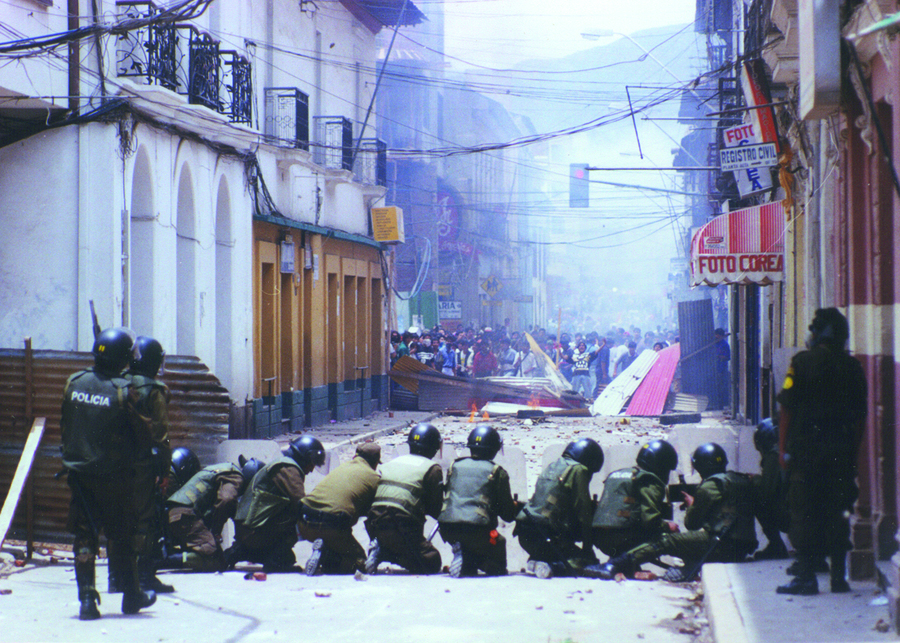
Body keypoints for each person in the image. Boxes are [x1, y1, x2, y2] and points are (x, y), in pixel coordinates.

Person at [60, 327, 156, 620]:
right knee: (123, 535)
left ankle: (87, 599)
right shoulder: (124, 390)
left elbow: (66, 426)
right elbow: (143, 434)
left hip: (80, 475)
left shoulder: (74, 383)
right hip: (115, 478)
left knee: (85, 536)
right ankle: (131, 596)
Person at [775, 308, 867, 595]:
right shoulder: (853, 367)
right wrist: (852, 451)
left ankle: (805, 577)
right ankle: (838, 578)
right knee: (838, 512)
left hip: (806, 453)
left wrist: (782, 449)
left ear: (818, 334)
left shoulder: (801, 363)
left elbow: (786, 409)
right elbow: (860, 418)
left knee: (804, 512)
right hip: (840, 452)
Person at [592, 443, 758, 581]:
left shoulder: (709, 487)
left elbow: (692, 524)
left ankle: (615, 564)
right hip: (742, 547)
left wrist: (693, 504)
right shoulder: (741, 480)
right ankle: (621, 564)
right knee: (679, 539)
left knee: (669, 541)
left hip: (720, 544)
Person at [122, 335, 174, 595]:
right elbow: (161, 437)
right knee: (146, 519)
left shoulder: (119, 384)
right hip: (143, 466)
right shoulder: (154, 391)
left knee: (121, 518)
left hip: (116, 463)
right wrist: (164, 472)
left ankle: (118, 576)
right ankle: (144, 577)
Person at [229, 435, 326, 571]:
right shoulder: (288, 469)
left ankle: (241, 551)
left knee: (287, 556)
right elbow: (301, 503)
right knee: (297, 518)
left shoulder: (282, 465)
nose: (311, 470)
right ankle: (273, 562)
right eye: (311, 464)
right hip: (254, 531)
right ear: (303, 457)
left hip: (248, 529)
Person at [439, 425, 523, 577]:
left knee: (470, 565)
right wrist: (516, 507)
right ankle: (474, 560)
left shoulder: (455, 466)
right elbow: (507, 514)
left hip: (448, 530)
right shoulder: (497, 471)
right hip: (478, 532)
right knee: (498, 554)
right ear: (495, 448)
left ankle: (465, 557)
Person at [514, 438, 604, 578]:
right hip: (546, 536)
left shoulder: (553, 466)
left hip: (525, 534)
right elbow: (583, 513)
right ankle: (552, 567)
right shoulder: (578, 469)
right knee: (587, 563)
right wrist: (587, 548)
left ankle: (537, 561)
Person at [160, 455, 263, 572]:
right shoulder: (235, 476)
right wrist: (216, 531)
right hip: (186, 515)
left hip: (179, 514)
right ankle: (162, 561)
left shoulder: (222, 470)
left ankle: (166, 557)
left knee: (217, 557)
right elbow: (226, 500)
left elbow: (231, 509)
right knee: (216, 561)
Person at [365, 423, 444, 574]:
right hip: (402, 523)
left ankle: (382, 548)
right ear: (433, 447)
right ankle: (392, 555)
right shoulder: (432, 468)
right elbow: (436, 509)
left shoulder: (393, 462)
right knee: (432, 562)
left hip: (375, 521)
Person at [299, 443, 382, 575]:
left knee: (337, 544)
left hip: (305, 524)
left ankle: (322, 548)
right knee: (360, 563)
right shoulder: (374, 477)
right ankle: (326, 553)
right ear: (375, 462)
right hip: (332, 529)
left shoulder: (342, 467)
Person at [590, 440, 680, 558]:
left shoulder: (617, 474)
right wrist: (668, 526)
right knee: (670, 538)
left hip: (599, 538)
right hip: (623, 539)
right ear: (661, 465)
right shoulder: (649, 480)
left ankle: (622, 565)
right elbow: (650, 520)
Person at [749, 418, 789, 561]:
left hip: (792, 517)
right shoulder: (792, 449)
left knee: (755, 497)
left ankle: (776, 545)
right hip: (809, 516)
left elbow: (766, 492)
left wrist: (755, 479)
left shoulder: (774, 456)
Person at [712, 328, 731, 410]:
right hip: (713, 370)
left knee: (721, 388)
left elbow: (727, 357)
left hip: (721, 369)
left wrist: (718, 357)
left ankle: (721, 405)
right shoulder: (713, 343)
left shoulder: (725, 345)